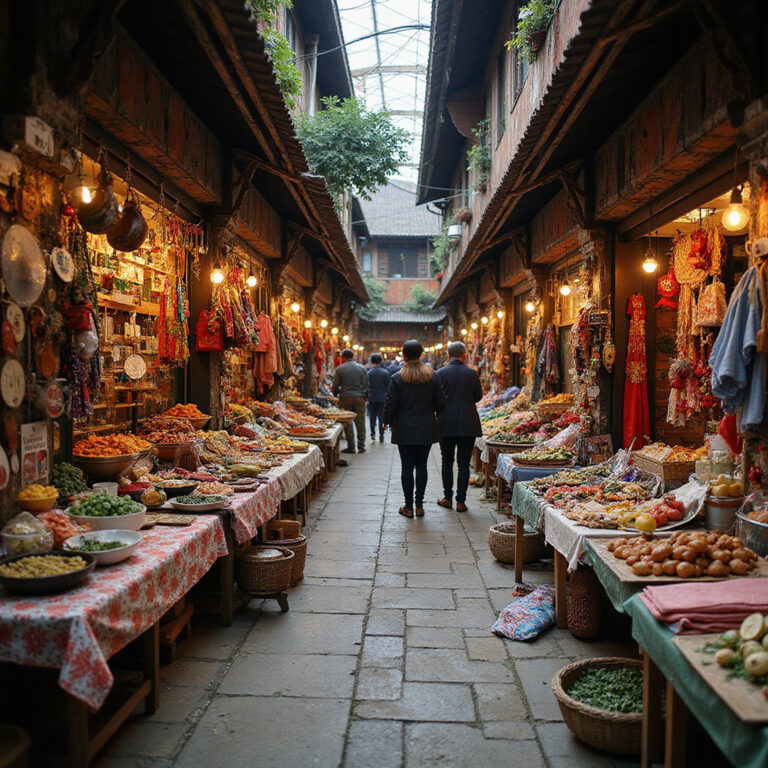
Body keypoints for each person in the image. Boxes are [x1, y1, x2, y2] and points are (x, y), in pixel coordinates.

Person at [383, 339, 446, 518]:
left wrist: (386, 420)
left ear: (403, 355)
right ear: (421, 354)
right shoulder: (433, 376)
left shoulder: (397, 378)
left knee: (407, 467)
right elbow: (441, 404)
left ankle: (408, 506)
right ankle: (419, 506)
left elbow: (390, 403)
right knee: (422, 466)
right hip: (426, 426)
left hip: (404, 427)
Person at [436, 340, 482, 512]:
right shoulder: (472, 373)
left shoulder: (439, 373)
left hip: (445, 422)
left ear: (448, 355)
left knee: (446, 461)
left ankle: (447, 498)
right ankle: (461, 501)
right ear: (464, 355)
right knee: (464, 463)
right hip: (467, 421)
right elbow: (478, 396)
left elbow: (436, 399)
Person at [332, 348, 368, 454]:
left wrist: (335, 395)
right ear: (353, 356)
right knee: (360, 422)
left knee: (347, 422)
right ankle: (361, 446)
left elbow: (335, 385)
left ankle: (351, 446)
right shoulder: (362, 368)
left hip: (345, 398)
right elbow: (366, 384)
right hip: (359, 397)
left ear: (343, 357)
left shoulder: (340, 369)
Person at [366, 353, 390, 443]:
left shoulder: (369, 373)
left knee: (372, 416)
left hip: (372, 398)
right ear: (381, 361)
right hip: (383, 398)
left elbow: (366, 386)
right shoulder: (385, 372)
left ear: (372, 361)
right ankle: (382, 434)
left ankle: (372, 433)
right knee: (381, 417)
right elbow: (389, 386)